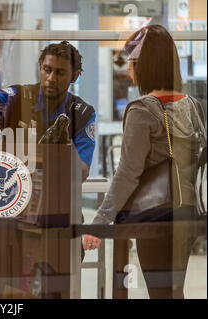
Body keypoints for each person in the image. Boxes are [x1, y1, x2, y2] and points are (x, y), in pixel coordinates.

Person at [83, 24, 206, 299]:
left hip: (156, 216)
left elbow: (128, 173)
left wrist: (100, 221)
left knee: (160, 294)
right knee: (173, 292)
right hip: (187, 215)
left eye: (133, 62)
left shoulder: (142, 110)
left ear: (146, 66)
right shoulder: (193, 105)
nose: (129, 69)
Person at [0, 41, 96, 181]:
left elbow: (83, 171)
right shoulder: (19, 95)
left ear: (74, 76)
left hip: (56, 195)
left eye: (60, 73)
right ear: (40, 68)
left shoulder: (82, 114)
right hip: (12, 192)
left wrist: (63, 152)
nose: (51, 78)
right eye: (47, 70)